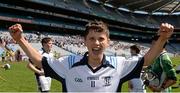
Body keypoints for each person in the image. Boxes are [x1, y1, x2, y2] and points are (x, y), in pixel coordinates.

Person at [8, 21, 174, 92]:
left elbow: (146, 60)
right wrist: (20, 39)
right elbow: (39, 61)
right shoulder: (69, 63)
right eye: (92, 39)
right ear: (85, 42)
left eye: (101, 39)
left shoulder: (119, 63)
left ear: (108, 42)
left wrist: (163, 39)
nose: (97, 43)